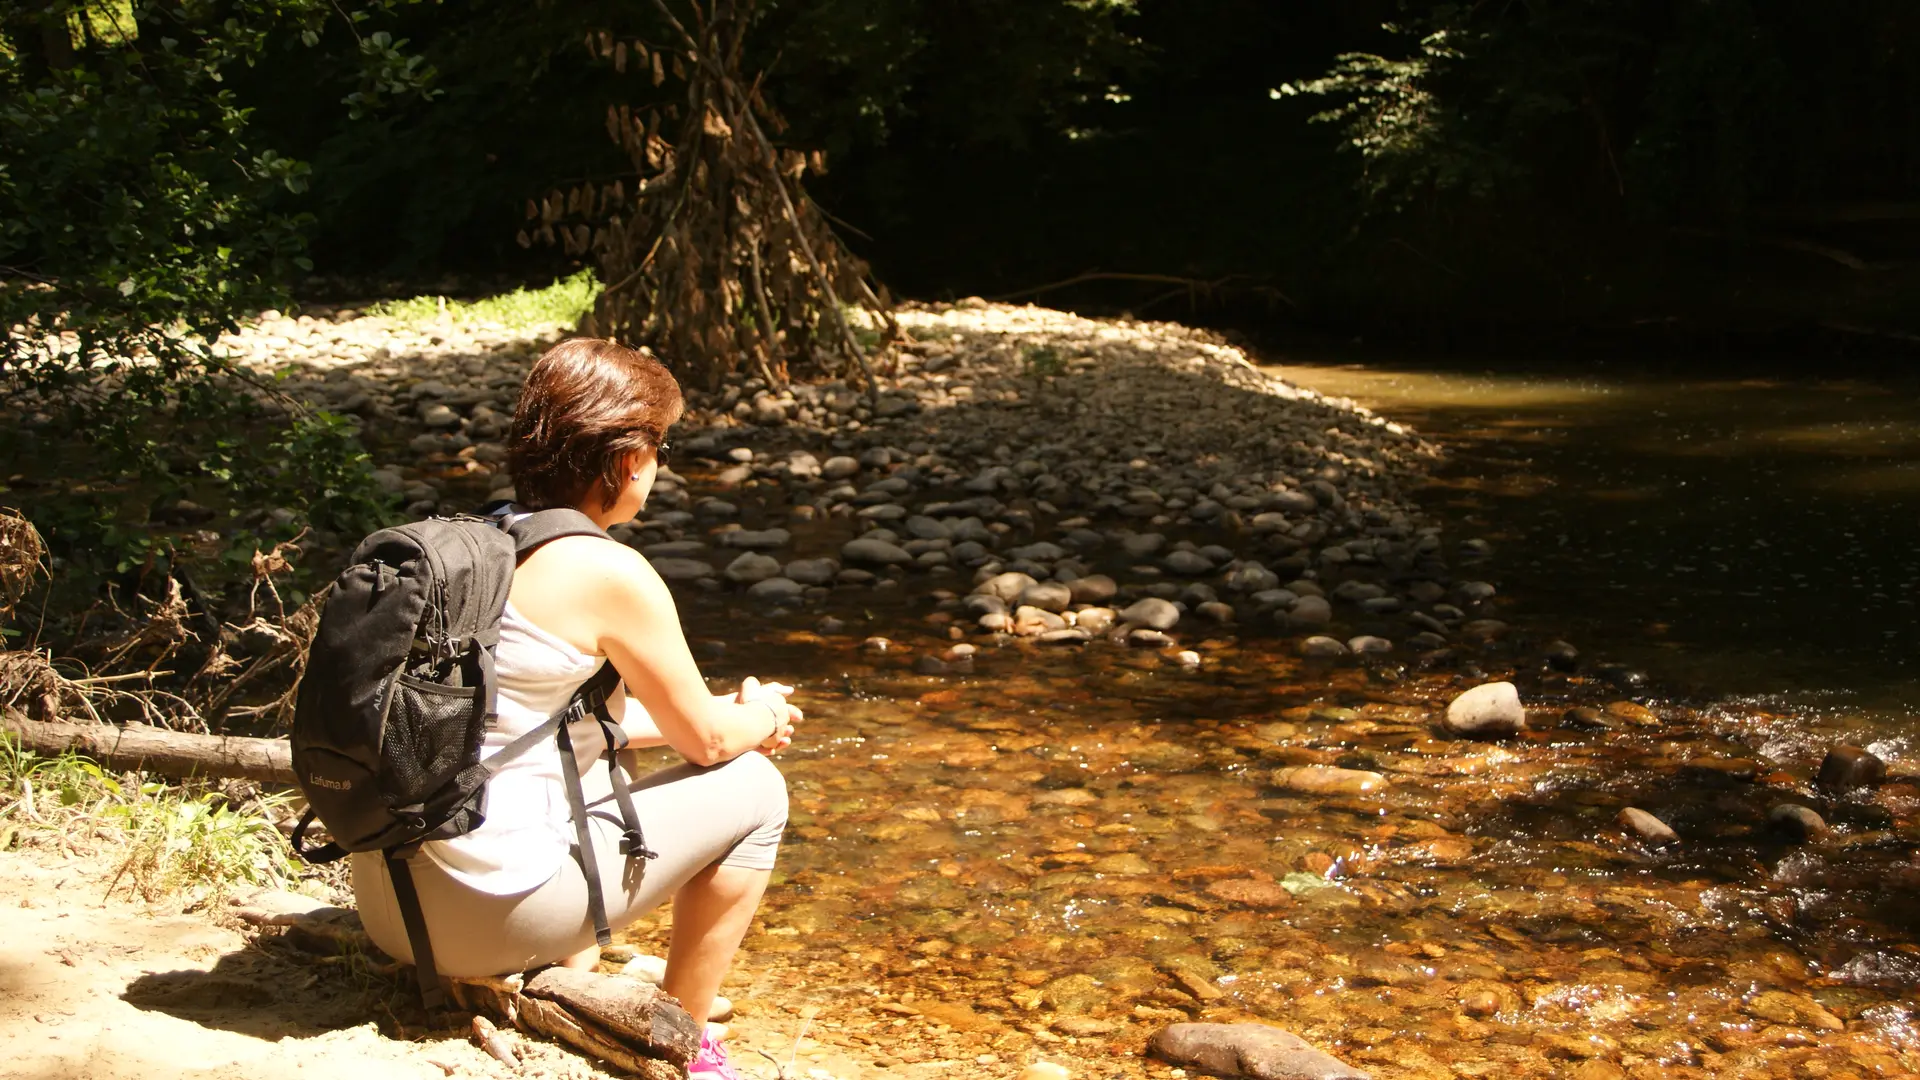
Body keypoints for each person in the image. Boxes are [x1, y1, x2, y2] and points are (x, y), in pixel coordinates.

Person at [349, 337, 796, 1080]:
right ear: (626, 460)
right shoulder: (607, 570)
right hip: (483, 923)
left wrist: (713, 714)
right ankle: (682, 1041)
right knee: (756, 789)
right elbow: (712, 744)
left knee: (596, 760)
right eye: (657, 452)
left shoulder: (475, 547)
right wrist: (762, 716)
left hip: (391, 910)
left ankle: (575, 954)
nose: (656, 471)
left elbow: (551, 723)